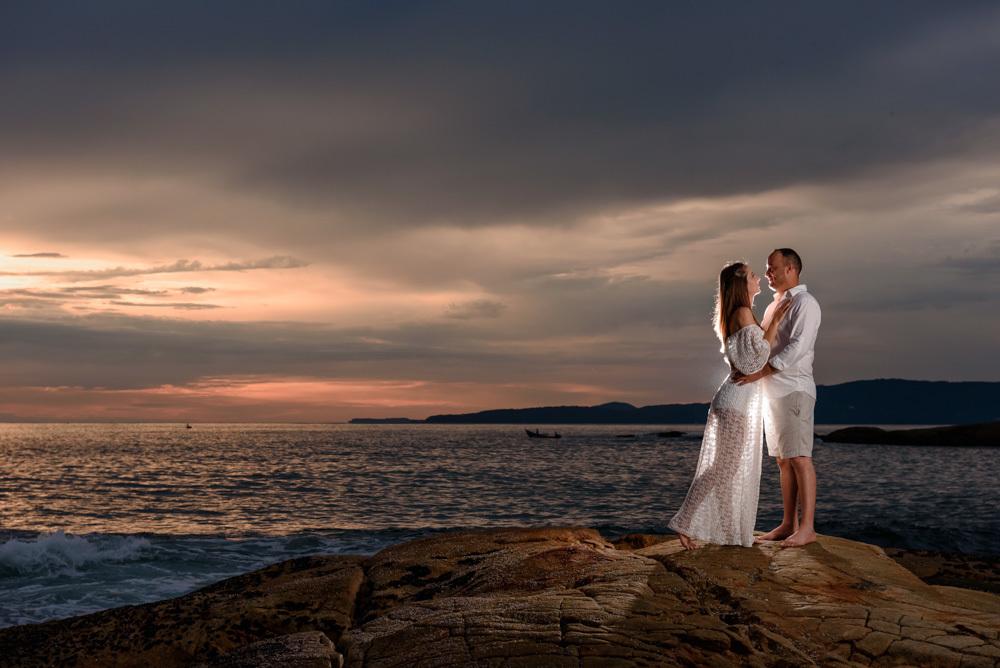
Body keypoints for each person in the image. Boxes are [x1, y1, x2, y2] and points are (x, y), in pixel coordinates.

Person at [668, 261, 791, 549]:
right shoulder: (742, 312)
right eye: (752, 275)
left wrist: (768, 326)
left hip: (734, 401)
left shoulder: (739, 313)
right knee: (722, 470)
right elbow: (755, 363)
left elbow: (752, 360)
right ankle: (683, 521)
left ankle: (729, 533)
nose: (758, 277)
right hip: (734, 402)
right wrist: (773, 324)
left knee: (726, 470)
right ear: (739, 282)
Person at [735, 248, 821, 548]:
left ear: (791, 269)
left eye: (773, 268)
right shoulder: (776, 305)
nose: (768, 273)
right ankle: (789, 523)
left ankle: (808, 527)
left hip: (793, 389)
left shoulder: (805, 303)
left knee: (799, 457)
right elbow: (763, 342)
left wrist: (762, 372)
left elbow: (798, 346)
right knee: (784, 460)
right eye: (766, 269)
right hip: (772, 391)